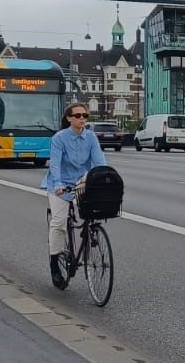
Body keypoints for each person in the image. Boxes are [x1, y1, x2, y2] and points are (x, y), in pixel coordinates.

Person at [42, 103, 108, 288]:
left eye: (85, 115)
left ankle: (89, 233)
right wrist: (58, 185)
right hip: (60, 184)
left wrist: (104, 177)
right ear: (69, 118)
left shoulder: (91, 137)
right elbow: (55, 164)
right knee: (59, 223)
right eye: (77, 115)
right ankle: (55, 263)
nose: (82, 119)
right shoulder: (59, 138)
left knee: (92, 212)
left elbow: (99, 160)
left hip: (81, 182)